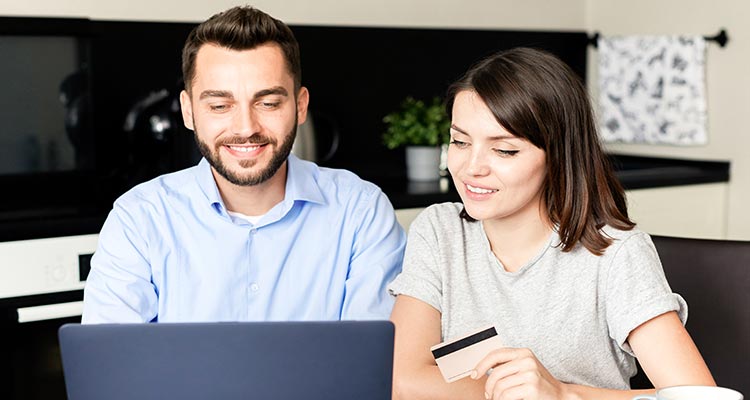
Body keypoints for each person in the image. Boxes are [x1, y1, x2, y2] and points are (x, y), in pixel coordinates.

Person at [388, 48, 714, 399]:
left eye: (505, 150)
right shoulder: (440, 231)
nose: (471, 167)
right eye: (460, 141)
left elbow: (696, 396)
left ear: (558, 156)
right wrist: (510, 390)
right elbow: (401, 382)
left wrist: (561, 394)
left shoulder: (616, 254)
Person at [82, 6, 405, 323]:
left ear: (300, 105)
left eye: (267, 103)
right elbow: (114, 368)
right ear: (188, 111)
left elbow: (369, 363)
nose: (245, 128)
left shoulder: (361, 211)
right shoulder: (138, 219)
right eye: (220, 105)